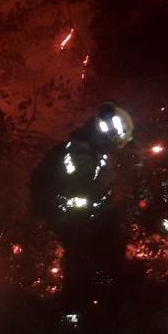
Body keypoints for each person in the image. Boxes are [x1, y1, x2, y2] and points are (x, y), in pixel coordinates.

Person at [30, 102, 136, 320]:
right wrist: (98, 209)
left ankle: (96, 302)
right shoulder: (78, 153)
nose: (117, 149)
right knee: (81, 257)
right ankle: (74, 312)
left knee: (96, 250)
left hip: (74, 214)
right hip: (64, 215)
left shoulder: (96, 153)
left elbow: (97, 191)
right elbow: (79, 191)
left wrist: (107, 204)